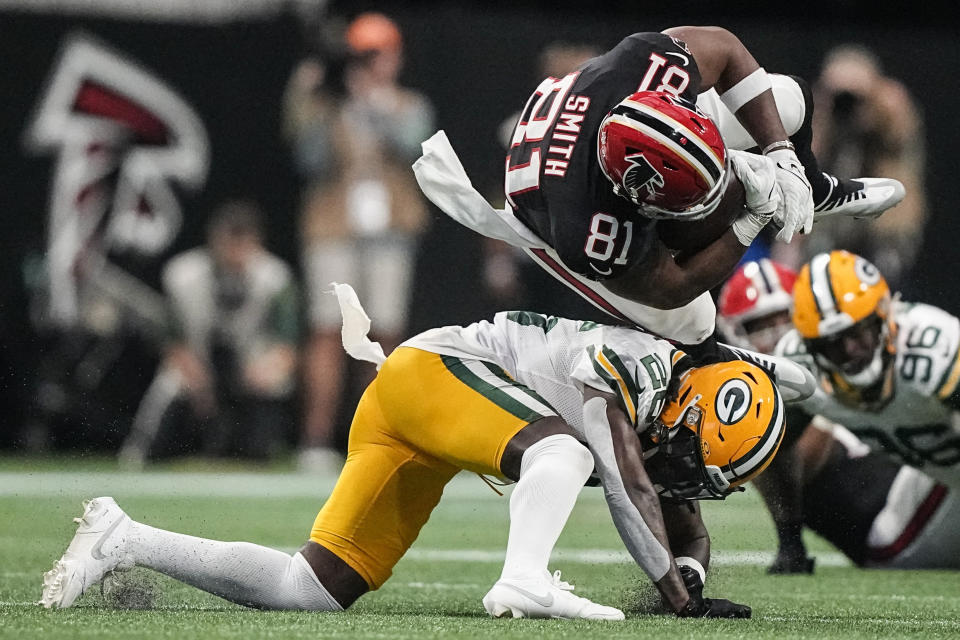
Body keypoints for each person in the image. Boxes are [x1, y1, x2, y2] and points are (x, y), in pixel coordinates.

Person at [40, 284, 813, 618]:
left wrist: (689, 574)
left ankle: (123, 537)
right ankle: (524, 579)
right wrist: (680, 599)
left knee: (309, 588)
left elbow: (681, 521)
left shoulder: (672, 413)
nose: (687, 478)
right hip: (431, 372)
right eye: (696, 457)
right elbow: (630, 487)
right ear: (692, 405)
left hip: (417, 415)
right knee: (567, 451)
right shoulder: (643, 367)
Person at [414, 26, 904, 351]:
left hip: (609, 131)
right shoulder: (588, 224)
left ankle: (809, 186)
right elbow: (668, 287)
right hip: (546, 209)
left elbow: (727, 49)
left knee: (787, 101)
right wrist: (749, 221)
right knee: (691, 322)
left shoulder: (641, 64)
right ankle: (714, 362)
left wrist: (779, 151)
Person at [722, 254, 960, 571]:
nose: (849, 351)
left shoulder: (934, 349)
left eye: (857, 332)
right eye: (831, 343)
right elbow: (770, 445)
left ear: (883, 317)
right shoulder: (799, 366)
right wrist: (790, 539)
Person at [283, 12, 435, 472]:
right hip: (333, 227)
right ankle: (315, 440)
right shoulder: (325, 104)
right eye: (362, 56)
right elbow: (308, 160)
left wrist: (374, 103)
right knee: (328, 330)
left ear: (395, 57)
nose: (370, 64)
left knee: (384, 332)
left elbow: (415, 148)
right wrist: (312, 95)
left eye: (378, 55)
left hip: (390, 230)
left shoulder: (409, 105)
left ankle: (382, 434)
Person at [118, 201, 300, 464]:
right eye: (230, 243)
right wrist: (197, 377)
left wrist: (263, 371)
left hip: (250, 362)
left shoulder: (275, 278)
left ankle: (261, 447)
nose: (236, 253)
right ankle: (141, 449)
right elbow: (172, 341)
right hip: (198, 358)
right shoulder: (182, 274)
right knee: (169, 381)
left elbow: (288, 344)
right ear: (215, 240)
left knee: (275, 380)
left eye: (244, 244)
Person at [780, 45, 927, 291]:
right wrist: (820, 110)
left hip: (883, 224)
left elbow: (899, 136)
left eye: (855, 96)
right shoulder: (823, 117)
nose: (847, 103)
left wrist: (874, 104)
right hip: (831, 221)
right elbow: (805, 165)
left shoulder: (888, 111)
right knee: (816, 253)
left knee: (886, 263)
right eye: (840, 95)